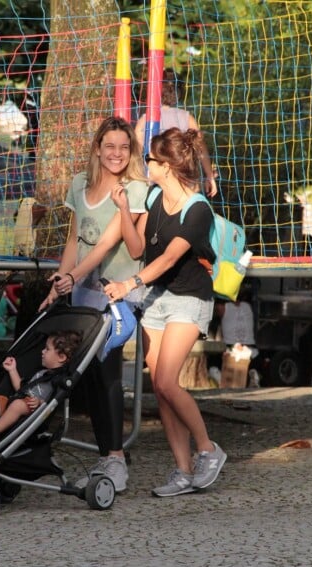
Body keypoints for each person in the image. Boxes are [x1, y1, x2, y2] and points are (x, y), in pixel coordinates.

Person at [104, 127, 227, 497]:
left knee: (167, 381)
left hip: (190, 297)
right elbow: (139, 245)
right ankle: (183, 470)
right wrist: (125, 210)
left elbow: (173, 256)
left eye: (151, 160)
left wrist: (129, 285)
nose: (146, 165)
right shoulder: (155, 197)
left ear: (168, 166)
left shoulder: (199, 209)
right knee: (161, 389)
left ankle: (208, 449)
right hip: (157, 298)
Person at [39, 116, 149, 492]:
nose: (117, 153)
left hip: (116, 293)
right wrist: (60, 283)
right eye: (110, 146)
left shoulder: (134, 189)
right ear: (97, 149)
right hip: (83, 290)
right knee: (83, 375)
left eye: (124, 147)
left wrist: (73, 277)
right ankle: (106, 454)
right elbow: (75, 242)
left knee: (107, 373)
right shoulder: (79, 185)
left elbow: (105, 245)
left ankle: (116, 457)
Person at [0, 330, 83, 448]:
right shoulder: (41, 373)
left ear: (61, 357)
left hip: (31, 411)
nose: (42, 352)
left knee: (17, 405)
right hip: (17, 401)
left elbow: (53, 401)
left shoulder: (58, 380)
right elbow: (21, 388)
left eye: (47, 349)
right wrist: (12, 369)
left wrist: (39, 403)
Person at [134, 70, 217, 197]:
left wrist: (135, 179)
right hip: (185, 185)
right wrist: (209, 176)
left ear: (154, 91)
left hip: (154, 184)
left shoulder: (145, 120)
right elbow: (201, 148)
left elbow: (135, 153)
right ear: (179, 92)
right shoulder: (187, 118)